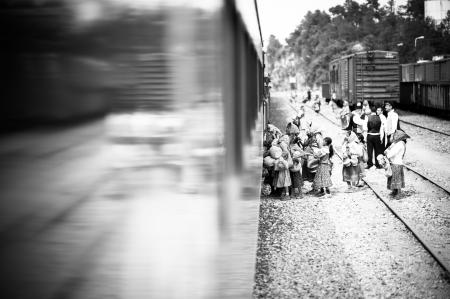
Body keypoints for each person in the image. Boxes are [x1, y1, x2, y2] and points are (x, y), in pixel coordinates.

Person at [385, 130, 409, 197]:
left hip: (396, 163)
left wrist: (387, 153)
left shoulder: (400, 144)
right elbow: (388, 149)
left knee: (396, 178)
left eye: (395, 136)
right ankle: (394, 191)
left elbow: (390, 154)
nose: (393, 137)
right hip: (395, 163)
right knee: (394, 178)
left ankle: (398, 193)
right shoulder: (397, 143)